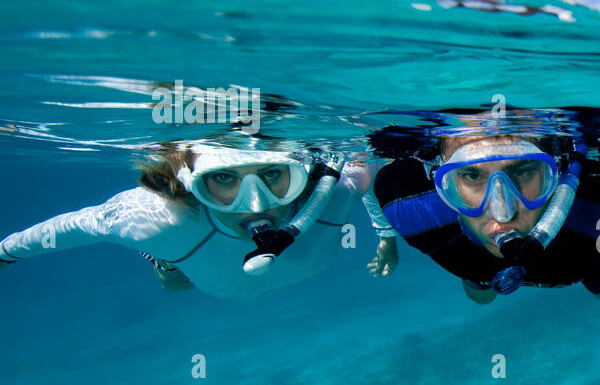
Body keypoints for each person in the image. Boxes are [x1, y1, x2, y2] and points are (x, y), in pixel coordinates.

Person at [0, 141, 399, 299]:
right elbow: (73, 225)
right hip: (194, 264)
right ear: (193, 186)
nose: (256, 204)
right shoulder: (158, 221)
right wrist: (4, 252)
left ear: (301, 174)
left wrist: (386, 235)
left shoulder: (334, 194)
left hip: (227, 276)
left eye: (274, 175)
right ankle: (162, 260)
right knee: (174, 283)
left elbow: (369, 168)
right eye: (224, 180)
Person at [371, 128, 600, 303]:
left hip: (582, 261)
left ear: (554, 173)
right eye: (471, 176)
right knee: (479, 294)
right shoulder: (408, 207)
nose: (502, 211)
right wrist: (386, 238)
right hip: (472, 264)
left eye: (524, 170)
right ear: (441, 179)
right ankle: (477, 278)